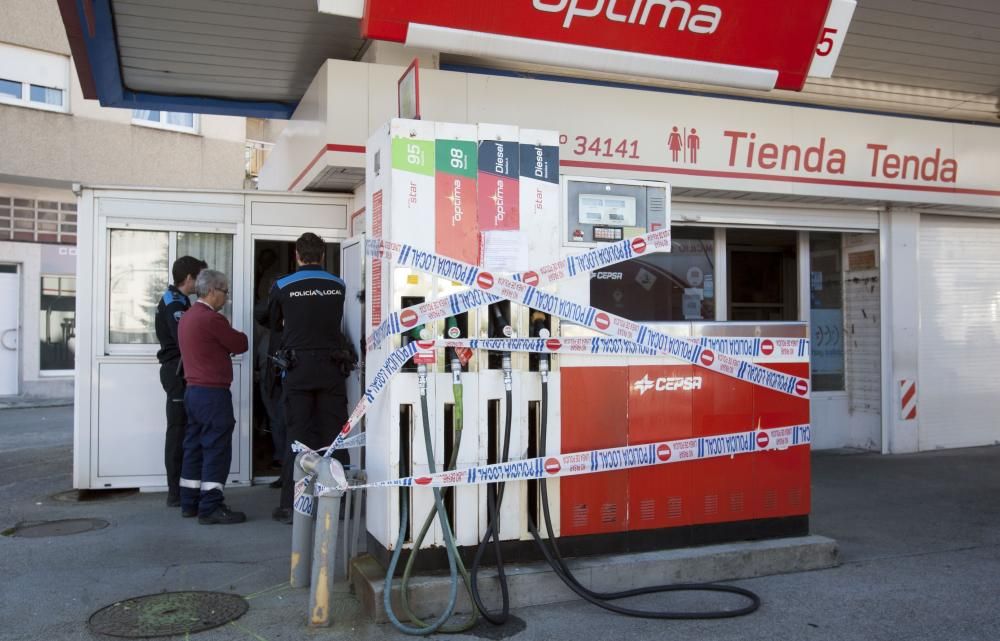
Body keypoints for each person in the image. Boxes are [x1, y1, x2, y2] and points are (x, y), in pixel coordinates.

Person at [264, 233, 352, 524]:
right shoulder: (337, 284)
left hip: (298, 367)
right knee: (333, 436)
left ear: (297, 256)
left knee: (298, 438)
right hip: (331, 366)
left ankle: (292, 506)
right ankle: (337, 503)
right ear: (323, 256)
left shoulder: (282, 285)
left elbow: (272, 320)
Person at [177, 269, 249, 525]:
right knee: (216, 448)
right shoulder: (211, 320)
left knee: (193, 446)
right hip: (213, 394)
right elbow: (240, 343)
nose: (226, 298)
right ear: (211, 291)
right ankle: (211, 506)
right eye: (224, 291)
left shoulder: (186, 317)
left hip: (193, 392)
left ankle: (190, 501)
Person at [154, 255, 207, 508]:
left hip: (183, 371)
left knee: (188, 431)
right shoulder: (174, 302)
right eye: (200, 277)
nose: (203, 283)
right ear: (189, 278)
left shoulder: (183, 300)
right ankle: (175, 492)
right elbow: (184, 339)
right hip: (176, 372)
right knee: (177, 431)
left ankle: (186, 488)